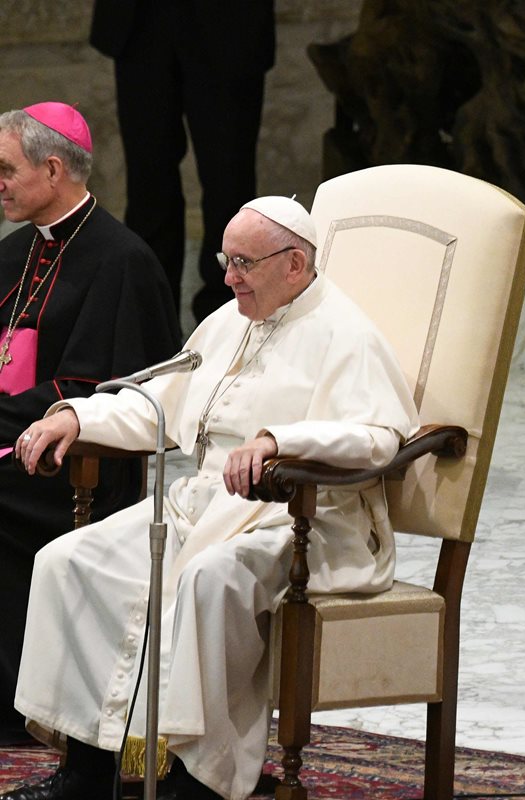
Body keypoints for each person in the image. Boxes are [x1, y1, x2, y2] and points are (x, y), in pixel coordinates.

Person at [2, 196, 419, 800]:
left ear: (295, 265)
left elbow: (381, 439)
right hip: (202, 502)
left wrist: (282, 441)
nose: (227, 276)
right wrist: (77, 418)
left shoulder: (347, 335)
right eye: (226, 259)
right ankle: (87, 769)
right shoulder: (229, 321)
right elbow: (160, 405)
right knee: (67, 562)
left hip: (299, 518)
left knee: (208, 578)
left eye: (243, 262)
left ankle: (201, 778)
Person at [0, 102, 180, 746]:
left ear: (53, 170)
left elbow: (115, 389)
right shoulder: (15, 252)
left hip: (75, 467)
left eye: (6, 170)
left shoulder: (122, 260)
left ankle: (24, 699)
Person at [90, 0, 276, 322]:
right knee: (147, 184)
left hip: (229, 19)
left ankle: (230, 321)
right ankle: (149, 326)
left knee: (229, 181)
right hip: (140, 19)